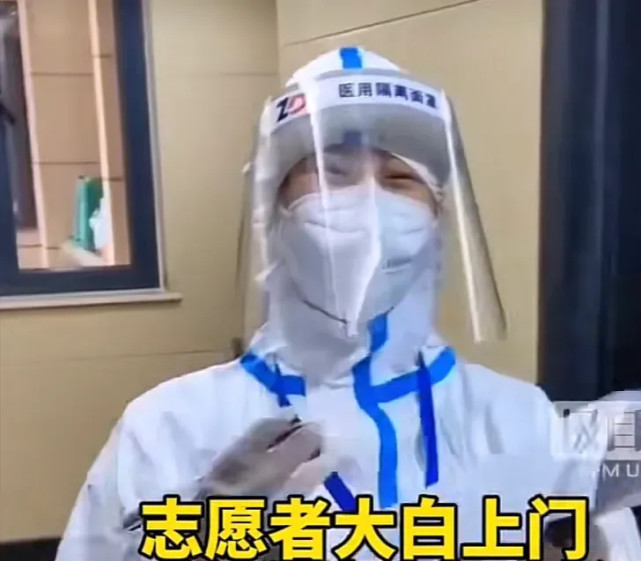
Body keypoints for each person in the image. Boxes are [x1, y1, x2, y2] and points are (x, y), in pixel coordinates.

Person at [56, 47, 641, 561]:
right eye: (331, 174)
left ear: (438, 213)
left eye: (399, 179)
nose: (369, 204)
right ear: (274, 212)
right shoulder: (169, 426)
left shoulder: (517, 414)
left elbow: (610, 507)